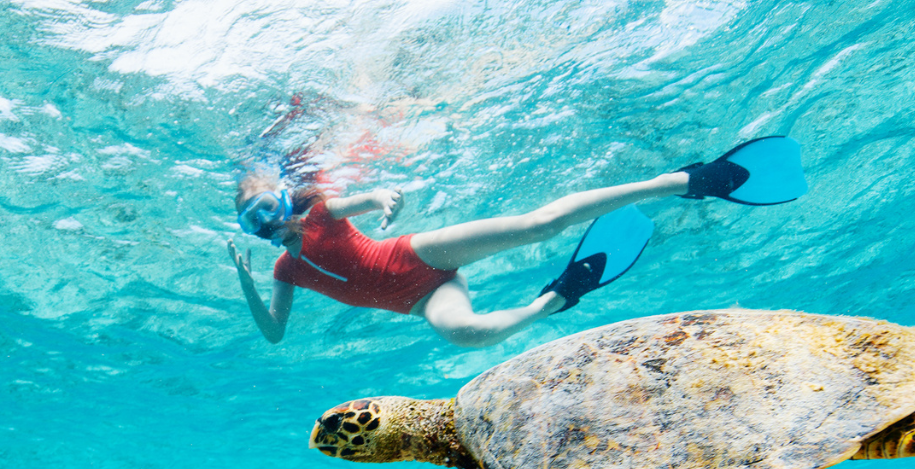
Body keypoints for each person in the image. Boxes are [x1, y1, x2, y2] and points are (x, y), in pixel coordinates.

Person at [227, 138, 803, 348]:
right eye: (255, 220)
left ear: (285, 200)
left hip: (420, 255)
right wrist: (248, 285)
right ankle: (555, 298)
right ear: (251, 232)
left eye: (268, 208)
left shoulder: (323, 214)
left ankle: (684, 182)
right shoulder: (283, 274)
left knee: (538, 225)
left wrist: (384, 201)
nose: (268, 222)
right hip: (424, 300)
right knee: (466, 336)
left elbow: (373, 197)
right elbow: (274, 334)